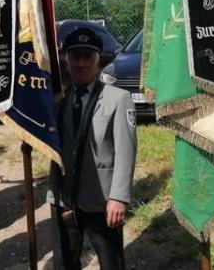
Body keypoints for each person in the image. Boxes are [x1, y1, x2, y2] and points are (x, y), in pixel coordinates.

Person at [48, 27, 136, 270]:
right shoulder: (58, 100)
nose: (80, 63)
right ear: (66, 62)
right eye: (74, 57)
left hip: (102, 199)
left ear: (97, 62)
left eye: (87, 57)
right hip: (64, 197)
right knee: (64, 262)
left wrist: (119, 197)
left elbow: (126, 152)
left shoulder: (118, 99)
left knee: (111, 263)